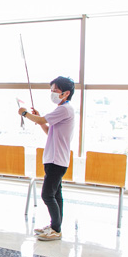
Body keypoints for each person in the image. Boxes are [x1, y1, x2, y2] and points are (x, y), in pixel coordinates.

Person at [18, 76, 75, 241]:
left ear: (66, 93)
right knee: (56, 195)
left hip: (57, 160)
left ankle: (56, 230)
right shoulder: (63, 109)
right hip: (55, 159)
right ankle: (55, 227)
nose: (52, 93)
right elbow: (47, 128)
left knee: (47, 195)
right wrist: (38, 118)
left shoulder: (64, 109)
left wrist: (25, 113)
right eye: (51, 90)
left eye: (55, 90)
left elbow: (41, 120)